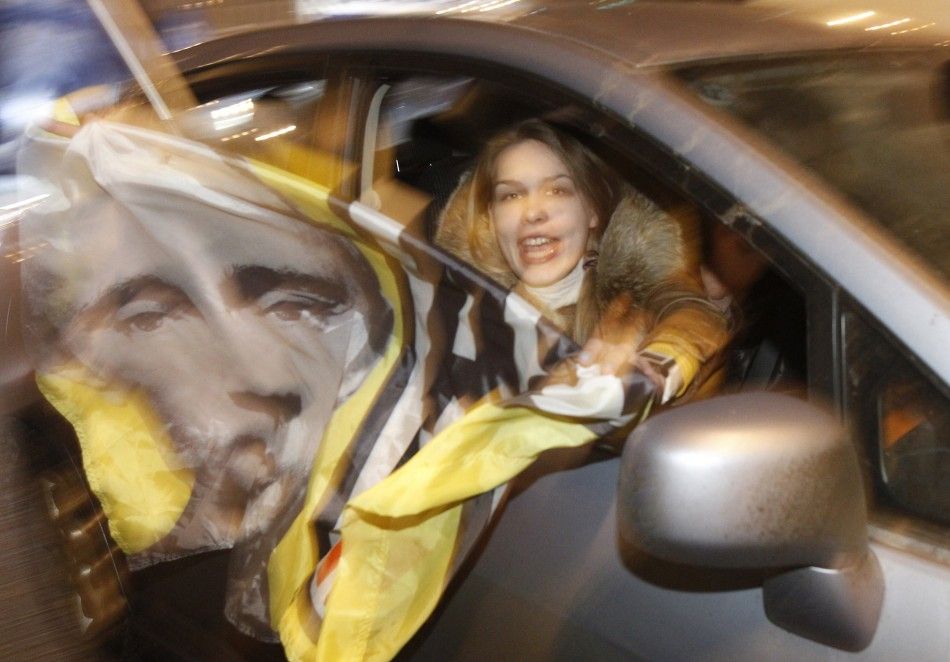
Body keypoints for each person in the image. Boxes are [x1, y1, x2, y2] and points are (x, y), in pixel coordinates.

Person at [19, 119, 394, 638]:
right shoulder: (96, 282)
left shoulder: (221, 217)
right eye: (152, 319)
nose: (263, 374)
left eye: (288, 304)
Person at [436, 119, 729, 403]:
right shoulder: (455, 312)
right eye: (511, 195)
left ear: (592, 210)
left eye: (557, 190)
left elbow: (691, 314)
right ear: (491, 217)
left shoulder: (633, 297)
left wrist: (654, 365)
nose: (532, 213)